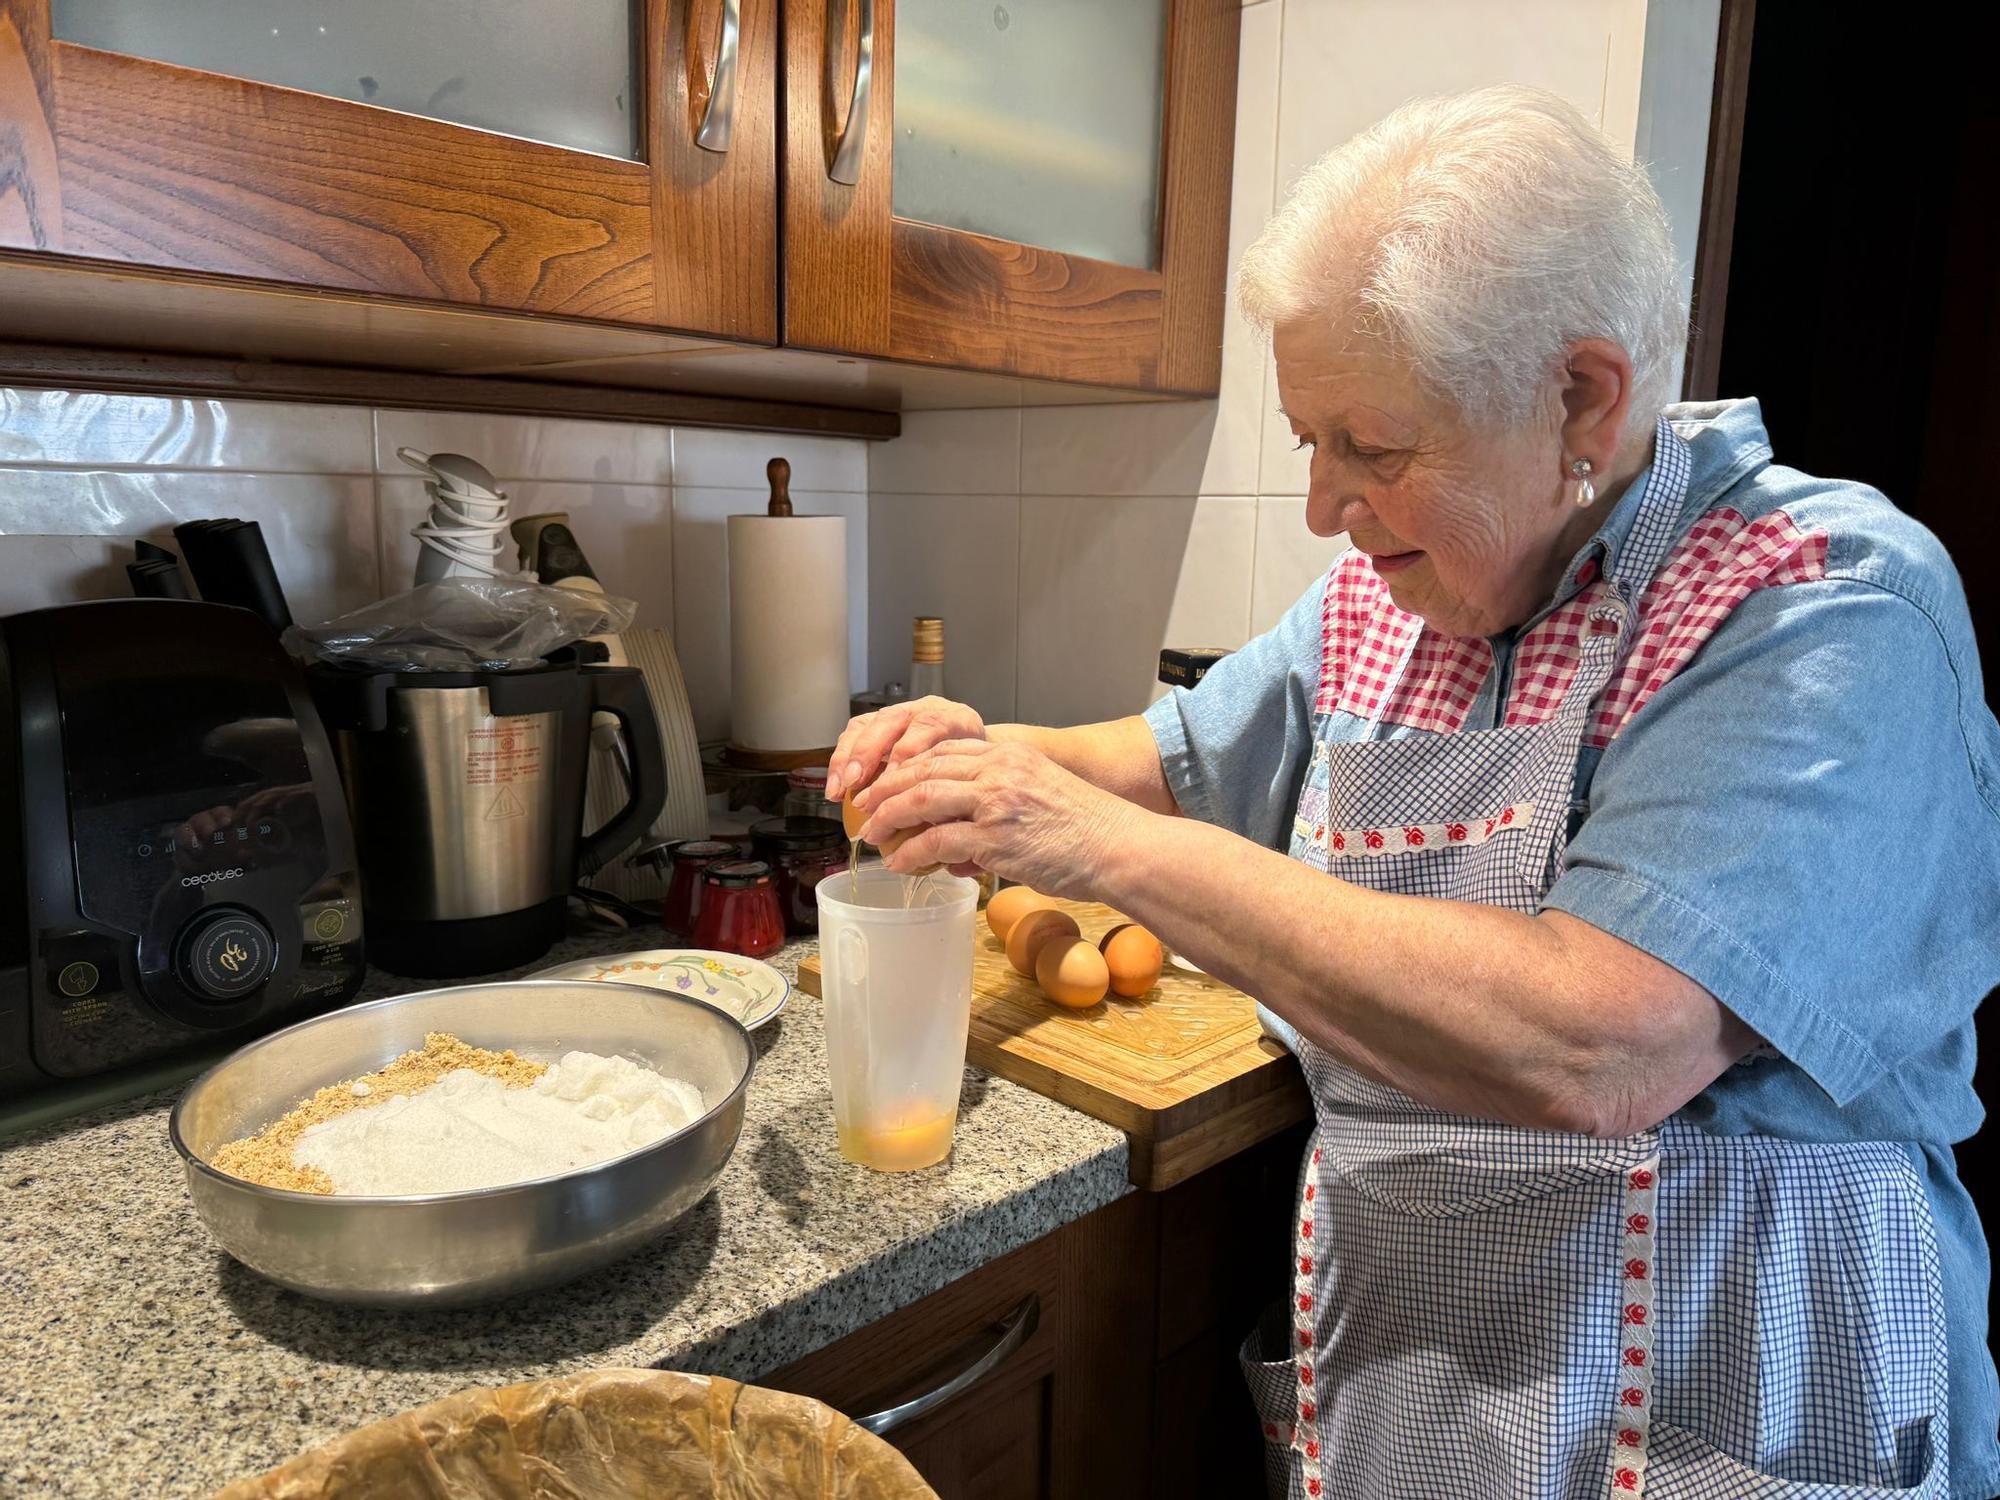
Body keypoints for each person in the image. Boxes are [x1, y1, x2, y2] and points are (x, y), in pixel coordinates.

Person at [828, 86, 2000, 1499]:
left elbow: (1603, 1045)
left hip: (1732, 1403)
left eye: (1370, 447)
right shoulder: (1383, 601)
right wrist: (964, 752)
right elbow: (1157, 761)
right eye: (1309, 440)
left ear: (1580, 396)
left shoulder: (1819, 606)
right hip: (1429, 1398)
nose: (1324, 503)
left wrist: (1090, 843)